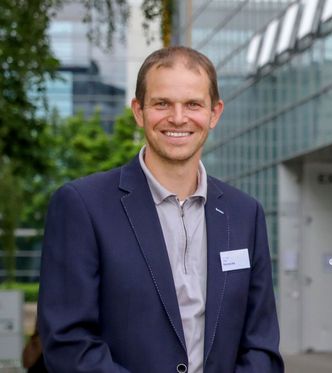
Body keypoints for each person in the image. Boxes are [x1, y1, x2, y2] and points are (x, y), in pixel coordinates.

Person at [38, 46, 284, 373]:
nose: (178, 118)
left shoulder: (245, 214)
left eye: (193, 104)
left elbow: (261, 344)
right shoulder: (82, 206)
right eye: (162, 103)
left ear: (214, 113)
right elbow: (68, 342)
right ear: (139, 111)